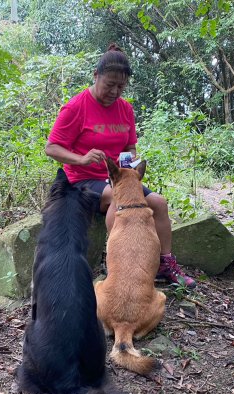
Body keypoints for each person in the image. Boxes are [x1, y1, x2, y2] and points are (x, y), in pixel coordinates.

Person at [45, 44, 196, 289]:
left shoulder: (125, 109)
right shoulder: (76, 107)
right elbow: (52, 148)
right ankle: (118, 267)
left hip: (119, 178)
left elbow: (130, 147)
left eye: (121, 87)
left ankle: (164, 265)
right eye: (110, 85)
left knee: (159, 202)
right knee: (119, 202)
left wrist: (130, 163)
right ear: (96, 76)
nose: (115, 92)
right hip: (83, 180)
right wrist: (82, 159)